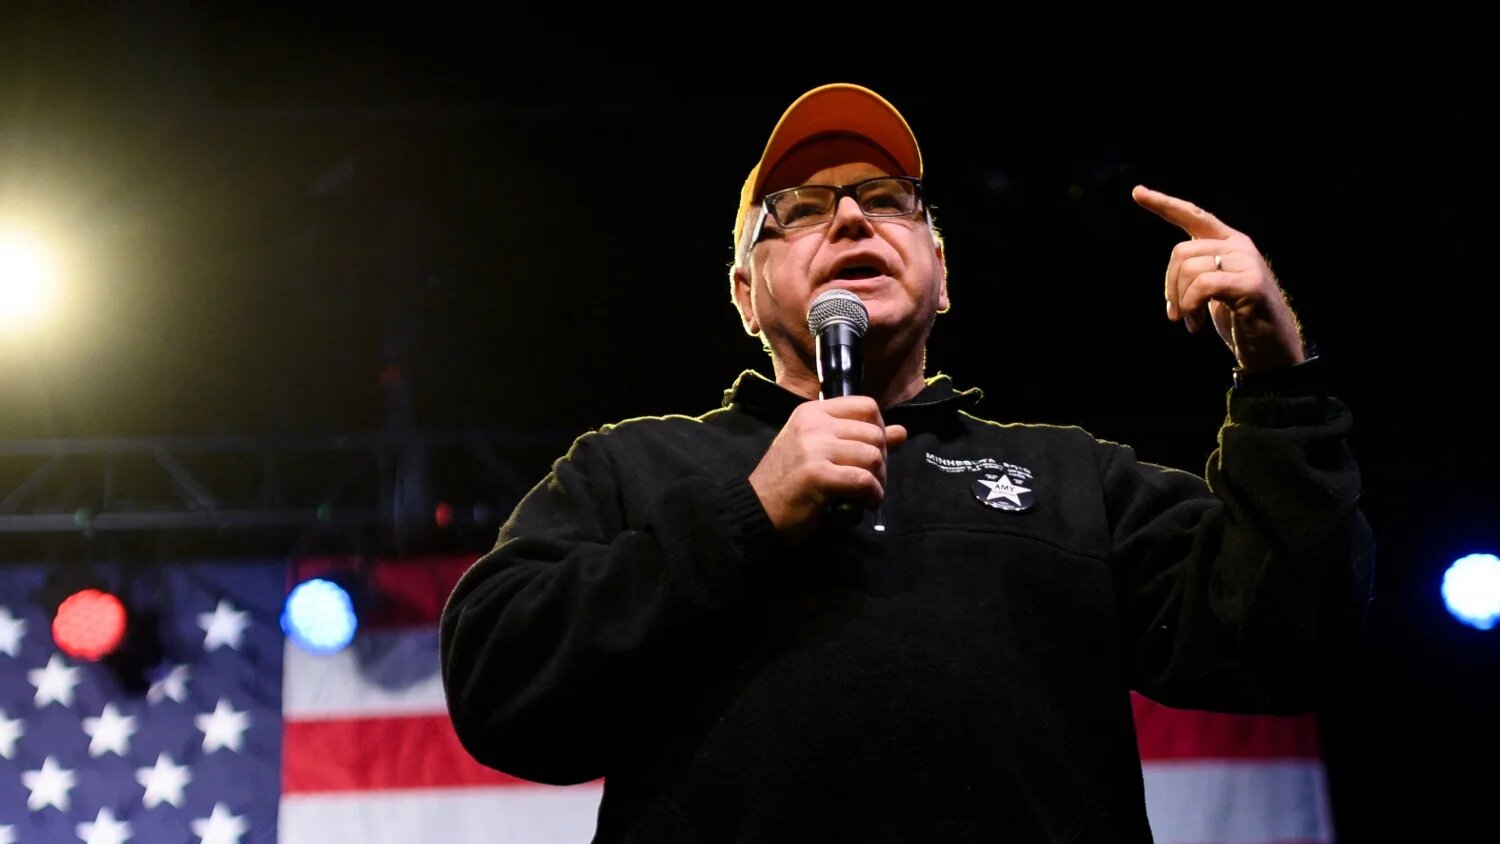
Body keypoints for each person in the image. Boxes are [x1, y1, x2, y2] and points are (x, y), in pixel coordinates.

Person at [439, 82, 1376, 842]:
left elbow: (1289, 640)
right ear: (743, 292)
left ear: (941, 273)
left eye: (887, 201)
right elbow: (500, 688)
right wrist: (748, 512)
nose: (851, 219)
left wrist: (1278, 378)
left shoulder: (1072, 479)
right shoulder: (632, 467)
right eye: (801, 209)